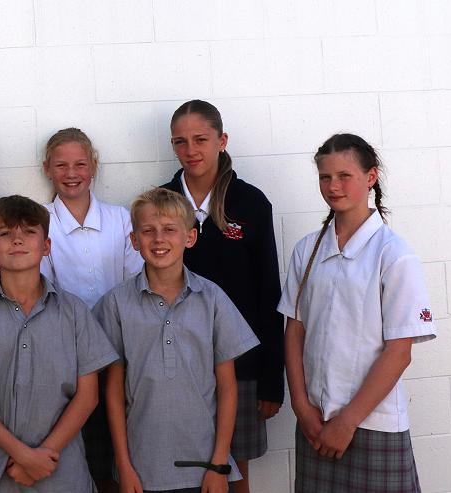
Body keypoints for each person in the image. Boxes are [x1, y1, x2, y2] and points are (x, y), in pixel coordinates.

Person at [278, 134, 436, 493]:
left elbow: (399, 352)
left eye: (344, 176)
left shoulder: (394, 254)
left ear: (371, 177)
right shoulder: (306, 250)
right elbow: (294, 332)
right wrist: (301, 406)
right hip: (316, 424)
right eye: (325, 177)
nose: (333, 186)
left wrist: (347, 422)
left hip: (372, 424)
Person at [0, 195, 120, 493]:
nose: (17, 240)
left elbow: (88, 396)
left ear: (46, 246)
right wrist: (24, 456)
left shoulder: (74, 313)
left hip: (62, 471)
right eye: (6, 233)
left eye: (29, 232)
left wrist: (43, 456)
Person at [95, 187, 259, 493]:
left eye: (170, 229)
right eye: (148, 231)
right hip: (142, 468)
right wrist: (124, 466)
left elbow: (227, 387)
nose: (159, 239)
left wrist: (218, 464)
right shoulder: (116, 304)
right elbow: (113, 390)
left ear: (190, 237)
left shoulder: (212, 299)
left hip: (204, 466)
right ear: (134, 240)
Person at [160, 100, 284, 493]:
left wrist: (271, 379)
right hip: (177, 363)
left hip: (240, 366)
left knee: (234, 476)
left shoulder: (250, 202)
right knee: (182, 473)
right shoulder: (161, 202)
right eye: (180, 142)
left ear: (222, 140)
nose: (191, 150)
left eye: (201, 139)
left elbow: (269, 292)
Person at [38, 128, 143, 491]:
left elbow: (135, 284)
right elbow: (43, 291)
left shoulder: (120, 219)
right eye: (61, 165)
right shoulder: (41, 221)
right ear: (47, 169)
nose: (71, 174)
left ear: (94, 166)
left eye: (80, 164)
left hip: (120, 358)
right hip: (65, 363)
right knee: (77, 460)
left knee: (117, 459)